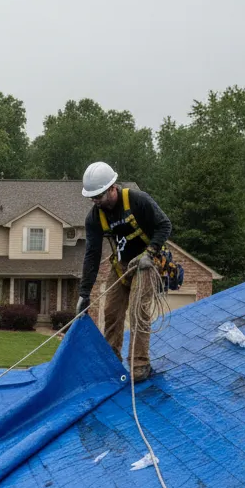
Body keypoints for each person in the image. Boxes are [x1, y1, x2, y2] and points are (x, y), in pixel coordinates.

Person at [76, 161, 173, 382]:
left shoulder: (138, 200)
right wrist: (84, 293)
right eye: (92, 197)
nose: (95, 201)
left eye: (98, 196)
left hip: (147, 262)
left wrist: (150, 252)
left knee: (138, 309)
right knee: (111, 312)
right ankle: (111, 362)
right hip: (121, 265)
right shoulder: (95, 217)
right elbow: (92, 255)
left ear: (112, 188)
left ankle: (139, 365)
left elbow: (164, 225)